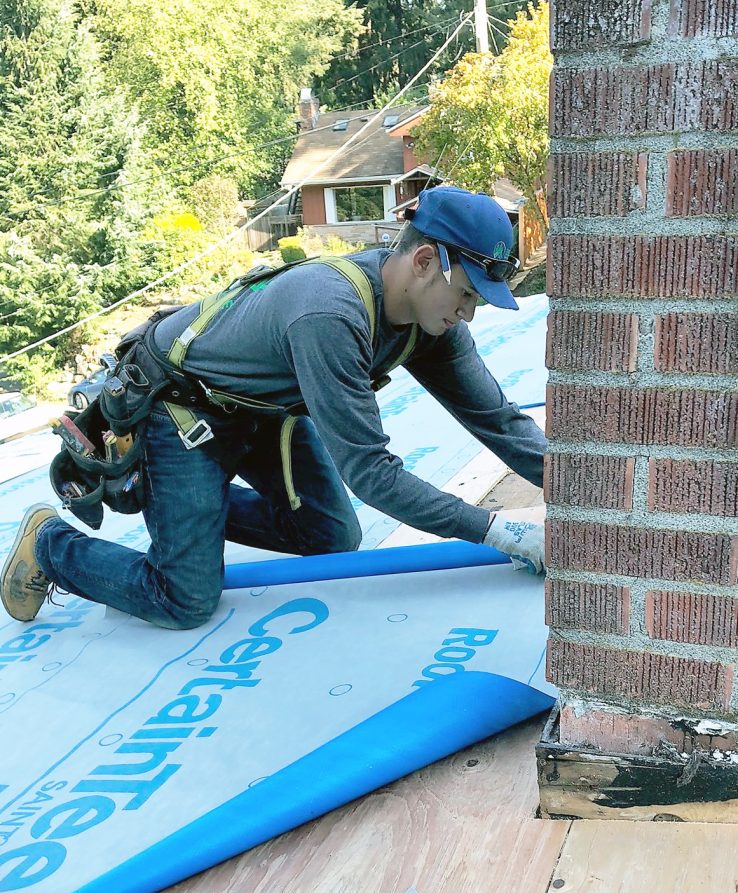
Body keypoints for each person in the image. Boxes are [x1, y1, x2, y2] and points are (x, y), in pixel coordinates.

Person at [2, 186, 547, 630]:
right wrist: (498, 531)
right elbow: (371, 473)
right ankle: (51, 544)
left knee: (332, 539)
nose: (470, 314)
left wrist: (590, 497)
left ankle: (169, 498)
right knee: (183, 599)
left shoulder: (434, 324)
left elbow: (498, 421)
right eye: (468, 294)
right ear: (426, 261)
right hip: (183, 409)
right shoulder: (330, 314)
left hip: (263, 411)